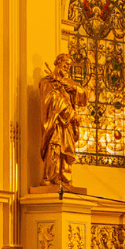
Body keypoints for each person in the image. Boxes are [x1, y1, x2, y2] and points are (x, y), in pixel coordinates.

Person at [39, 53, 88, 186]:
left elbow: (84, 97)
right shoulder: (46, 82)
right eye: (65, 64)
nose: (67, 68)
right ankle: (51, 177)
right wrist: (71, 113)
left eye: (69, 66)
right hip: (55, 123)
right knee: (54, 148)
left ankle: (65, 178)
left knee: (67, 150)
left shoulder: (69, 83)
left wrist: (75, 89)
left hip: (68, 126)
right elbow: (52, 100)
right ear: (57, 63)